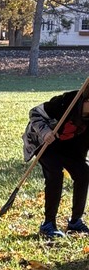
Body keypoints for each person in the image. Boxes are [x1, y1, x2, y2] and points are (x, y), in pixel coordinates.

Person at [23, 88, 89, 240]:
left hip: (71, 148)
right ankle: (48, 224)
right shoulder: (67, 101)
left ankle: (75, 221)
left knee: (84, 172)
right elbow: (35, 113)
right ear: (85, 100)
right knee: (55, 174)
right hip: (45, 144)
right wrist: (45, 132)